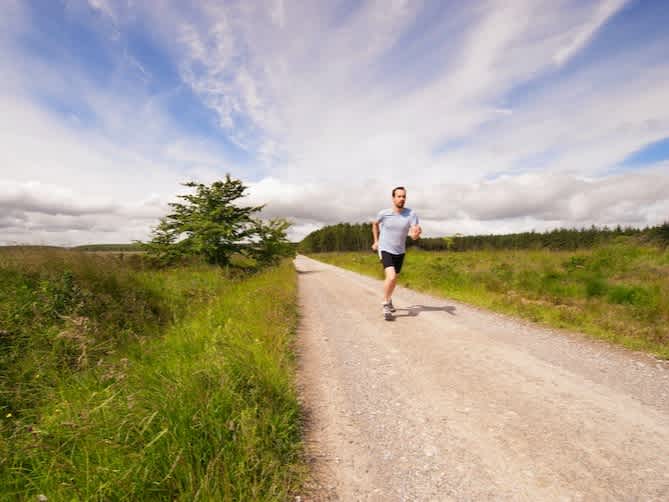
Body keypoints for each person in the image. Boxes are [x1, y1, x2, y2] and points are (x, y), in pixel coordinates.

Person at [371, 186, 421, 320]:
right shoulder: (384, 213)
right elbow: (374, 224)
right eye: (399, 196)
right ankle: (386, 304)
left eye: (404, 196)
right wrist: (376, 241)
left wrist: (417, 234)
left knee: (393, 279)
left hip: (400, 251)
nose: (402, 199)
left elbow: (414, 235)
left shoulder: (411, 214)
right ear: (393, 198)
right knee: (391, 276)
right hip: (385, 248)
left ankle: (389, 297)